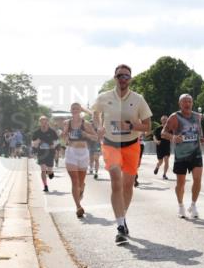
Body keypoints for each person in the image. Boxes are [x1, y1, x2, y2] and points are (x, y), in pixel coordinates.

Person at [92, 64, 153, 245]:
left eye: (126, 76)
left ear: (130, 79)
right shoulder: (104, 97)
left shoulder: (138, 99)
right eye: (120, 76)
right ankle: (120, 226)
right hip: (111, 145)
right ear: (115, 77)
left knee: (128, 186)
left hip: (131, 146)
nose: (123, 79)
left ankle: (122, 217)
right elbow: (95, 114)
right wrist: (98, 127)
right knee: (116, 182)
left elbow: (148, 126)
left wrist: (131, 126)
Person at [162, 94, 204, 219]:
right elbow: (163, 132)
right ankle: (180, 205)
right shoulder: (175, 117)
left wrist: (201, 137)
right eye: (185, 102)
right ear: (180, 104)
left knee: (197, 179)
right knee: (180, 183)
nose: (187, 104)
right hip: (181, 155)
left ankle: (193, 205)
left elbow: (199, 129)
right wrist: (173, 137)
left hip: (196, 153)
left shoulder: (197, 116)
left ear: (192, 103)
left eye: (190, 101)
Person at [62, 103, 98, 217]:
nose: (75, 110)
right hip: (71, 152)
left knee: (81, 183)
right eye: (73, 108)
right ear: (70, 110)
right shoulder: (67, 123)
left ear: (80, 111)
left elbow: (96, 137)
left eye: (77, 108)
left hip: (83, 153)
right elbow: (63, 137)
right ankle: (78, 206)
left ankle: (82, 188)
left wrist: (85, 134)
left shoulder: (86, 124)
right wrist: (64, 135)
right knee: (75, 181)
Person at [31, 116, 59, 193]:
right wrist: (37, 142)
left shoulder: (52, 131)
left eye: (45, 121)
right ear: (39, 123)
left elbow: (57, 141)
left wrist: (53, 145)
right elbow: (33, 143)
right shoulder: (36, 132)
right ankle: (45, 186)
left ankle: (50, 172)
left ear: (47, 122)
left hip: (50, 153)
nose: (43, 123)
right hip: (41, 153)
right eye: (42, 122)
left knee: (49, 171)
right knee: (43, 169)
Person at [153, 115, 171, 179]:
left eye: (166, 119)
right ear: (161, 121)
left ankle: (164, 174)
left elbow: (172, 136)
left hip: (167, 146)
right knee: (160, 161)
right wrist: (156, 141)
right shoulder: (158, 129)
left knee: (166, 160)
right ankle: (157, 166)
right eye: (163, 119)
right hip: (159, 146)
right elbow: (154, 136)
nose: (165, 121)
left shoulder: (169, 128)